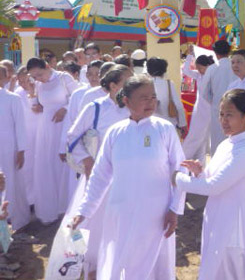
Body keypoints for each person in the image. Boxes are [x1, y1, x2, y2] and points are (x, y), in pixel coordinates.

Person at [71, 75, 185, 280]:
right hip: (121, 209)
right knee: (123, 259)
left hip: (156, 212)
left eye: (153, 97)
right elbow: (100, 175)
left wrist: (174, 209)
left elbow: (180, 171)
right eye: (143, 98)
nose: (150, 102)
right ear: (126, 101)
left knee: (155, 264)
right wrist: (84, 211)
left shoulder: (164, 129)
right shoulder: (116, 132)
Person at [174, 89, 245, 280]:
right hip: (217, 216)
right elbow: (211, 179)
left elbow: (214, 186)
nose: (223, 120)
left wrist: (178, 179)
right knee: (214, 267)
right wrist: (199, 173)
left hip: (234, 224)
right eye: (221, 114)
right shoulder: (226, 144)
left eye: (229, 115)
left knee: (230, 271)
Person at [64, 65, 131, 277]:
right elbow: (73, 136)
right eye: (126, 82)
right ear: (113, 85)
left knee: (123, 222)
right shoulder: (95, 108)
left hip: (128, 177)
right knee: (96, 224)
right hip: (99, 178)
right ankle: (93, 266)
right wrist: (86, 161)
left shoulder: (133, 109)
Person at [27, 57, 78, 224]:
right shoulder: (38, 84)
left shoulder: (64, 78)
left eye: (40, 74)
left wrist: (65, 109)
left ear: (48, 66)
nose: (39, 79)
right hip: (46, 128)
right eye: (35, 76)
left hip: (63, 126)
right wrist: (33, 96)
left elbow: (77, 100)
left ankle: (65, 206)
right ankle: (50, 207)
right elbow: (37, 106)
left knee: (62, 165)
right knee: (46, 165)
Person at [0, 65, 30, 232]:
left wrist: (21, 150)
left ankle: (17, 219)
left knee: (12, 182)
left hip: (9, 147)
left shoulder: (13, 99)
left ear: (6, 78)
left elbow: (20, 126)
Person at [200, 40, 237, 155]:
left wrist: (214, 102)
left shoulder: (212, 68)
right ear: (229, 50)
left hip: (218, 108)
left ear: (215, 52)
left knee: (218, 139)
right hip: (237, 107)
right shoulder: (236, 66)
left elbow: (204, 91)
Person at [181, 48, 214, 160]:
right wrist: (190, 56)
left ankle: (199, 160)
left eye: (200, 67)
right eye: (197, 67)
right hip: (199, 108)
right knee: (195, 134)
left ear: (208, 66)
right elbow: (186, 70)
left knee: (204, 137)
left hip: (211, 109)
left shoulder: (214, 75)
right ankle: (184, 157)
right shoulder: (198, 75)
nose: (199, 70)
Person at [14, 66, 40, 205]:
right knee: (27, 169)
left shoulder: (40, 90)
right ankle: (29, 200)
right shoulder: (17, 94)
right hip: (25, 135)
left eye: (26, 80)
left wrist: (32, 92)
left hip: (40, 133)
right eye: (21, 81)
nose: (24, 84)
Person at [147, 57, 187, 133]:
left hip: (151, 124)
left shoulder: (145, 85)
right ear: (164, 70)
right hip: (169, 123)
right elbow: (178, 105)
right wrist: (183, 124)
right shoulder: (169, 84)